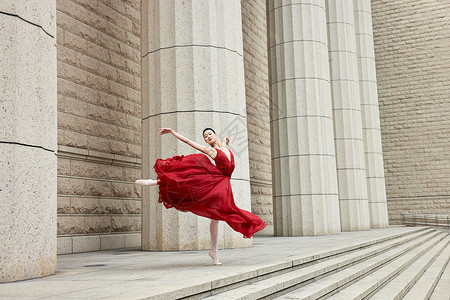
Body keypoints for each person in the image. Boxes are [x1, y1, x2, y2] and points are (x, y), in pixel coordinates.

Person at [136, 127, 266, 265]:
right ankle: (156, 181)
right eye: (205, 136)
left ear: (215, 134)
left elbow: (223, 145)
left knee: (216, 217)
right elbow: (188, 141)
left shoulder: (223, 147)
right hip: (218, 182)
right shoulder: (211, 150)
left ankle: (214, 253)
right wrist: (173, 132)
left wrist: (224, 140)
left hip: (224, 183)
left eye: (210, 134)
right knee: (193, 178)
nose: (208, 136)